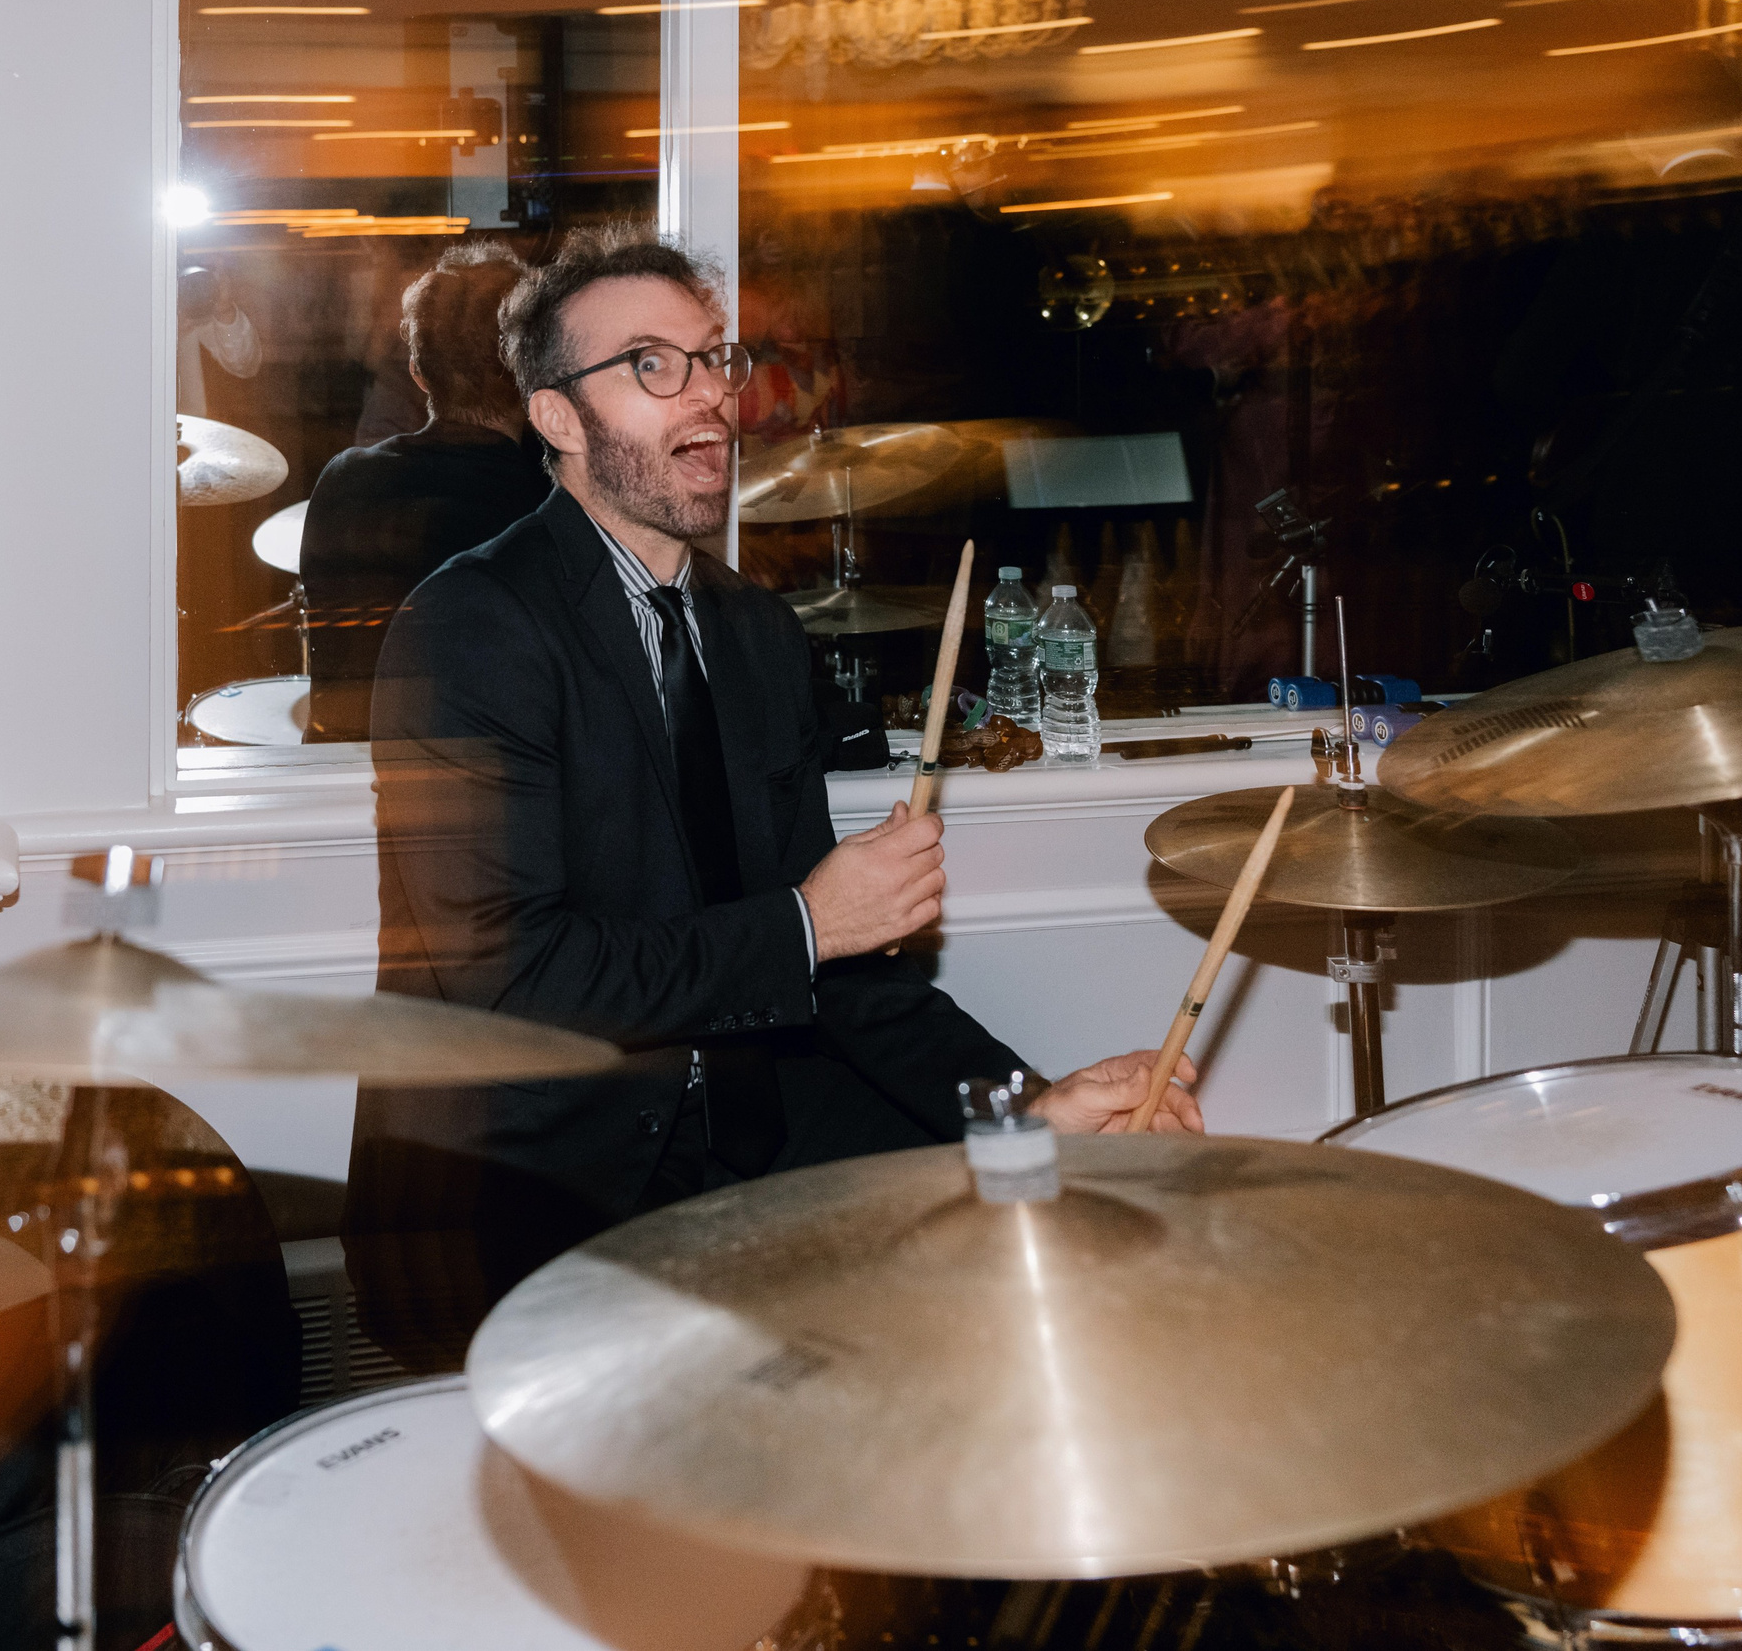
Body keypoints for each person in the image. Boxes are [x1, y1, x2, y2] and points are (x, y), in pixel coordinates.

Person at [346, 229, 1200, 1369]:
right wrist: (806, 923)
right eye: (653, 365)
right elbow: (517, 977)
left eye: (714, 358)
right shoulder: (469, 629)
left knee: (1043, 1285)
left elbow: (846, 975)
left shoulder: (752, 635)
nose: (707, 396)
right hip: (534, 1180)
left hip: (744, 1128)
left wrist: (1028, 1103)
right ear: (557, 417)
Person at [298, 242, 551, 739]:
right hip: (495, 784)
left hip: (346, 760)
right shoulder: (551, 501)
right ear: (530, 374)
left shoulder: (344, 479)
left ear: (418, 373)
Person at [176, 262, 260, 418]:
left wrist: (225, 310)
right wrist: (166, 335)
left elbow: (242, 363)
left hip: (207, 430)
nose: (191, 289)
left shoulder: (206, 318)